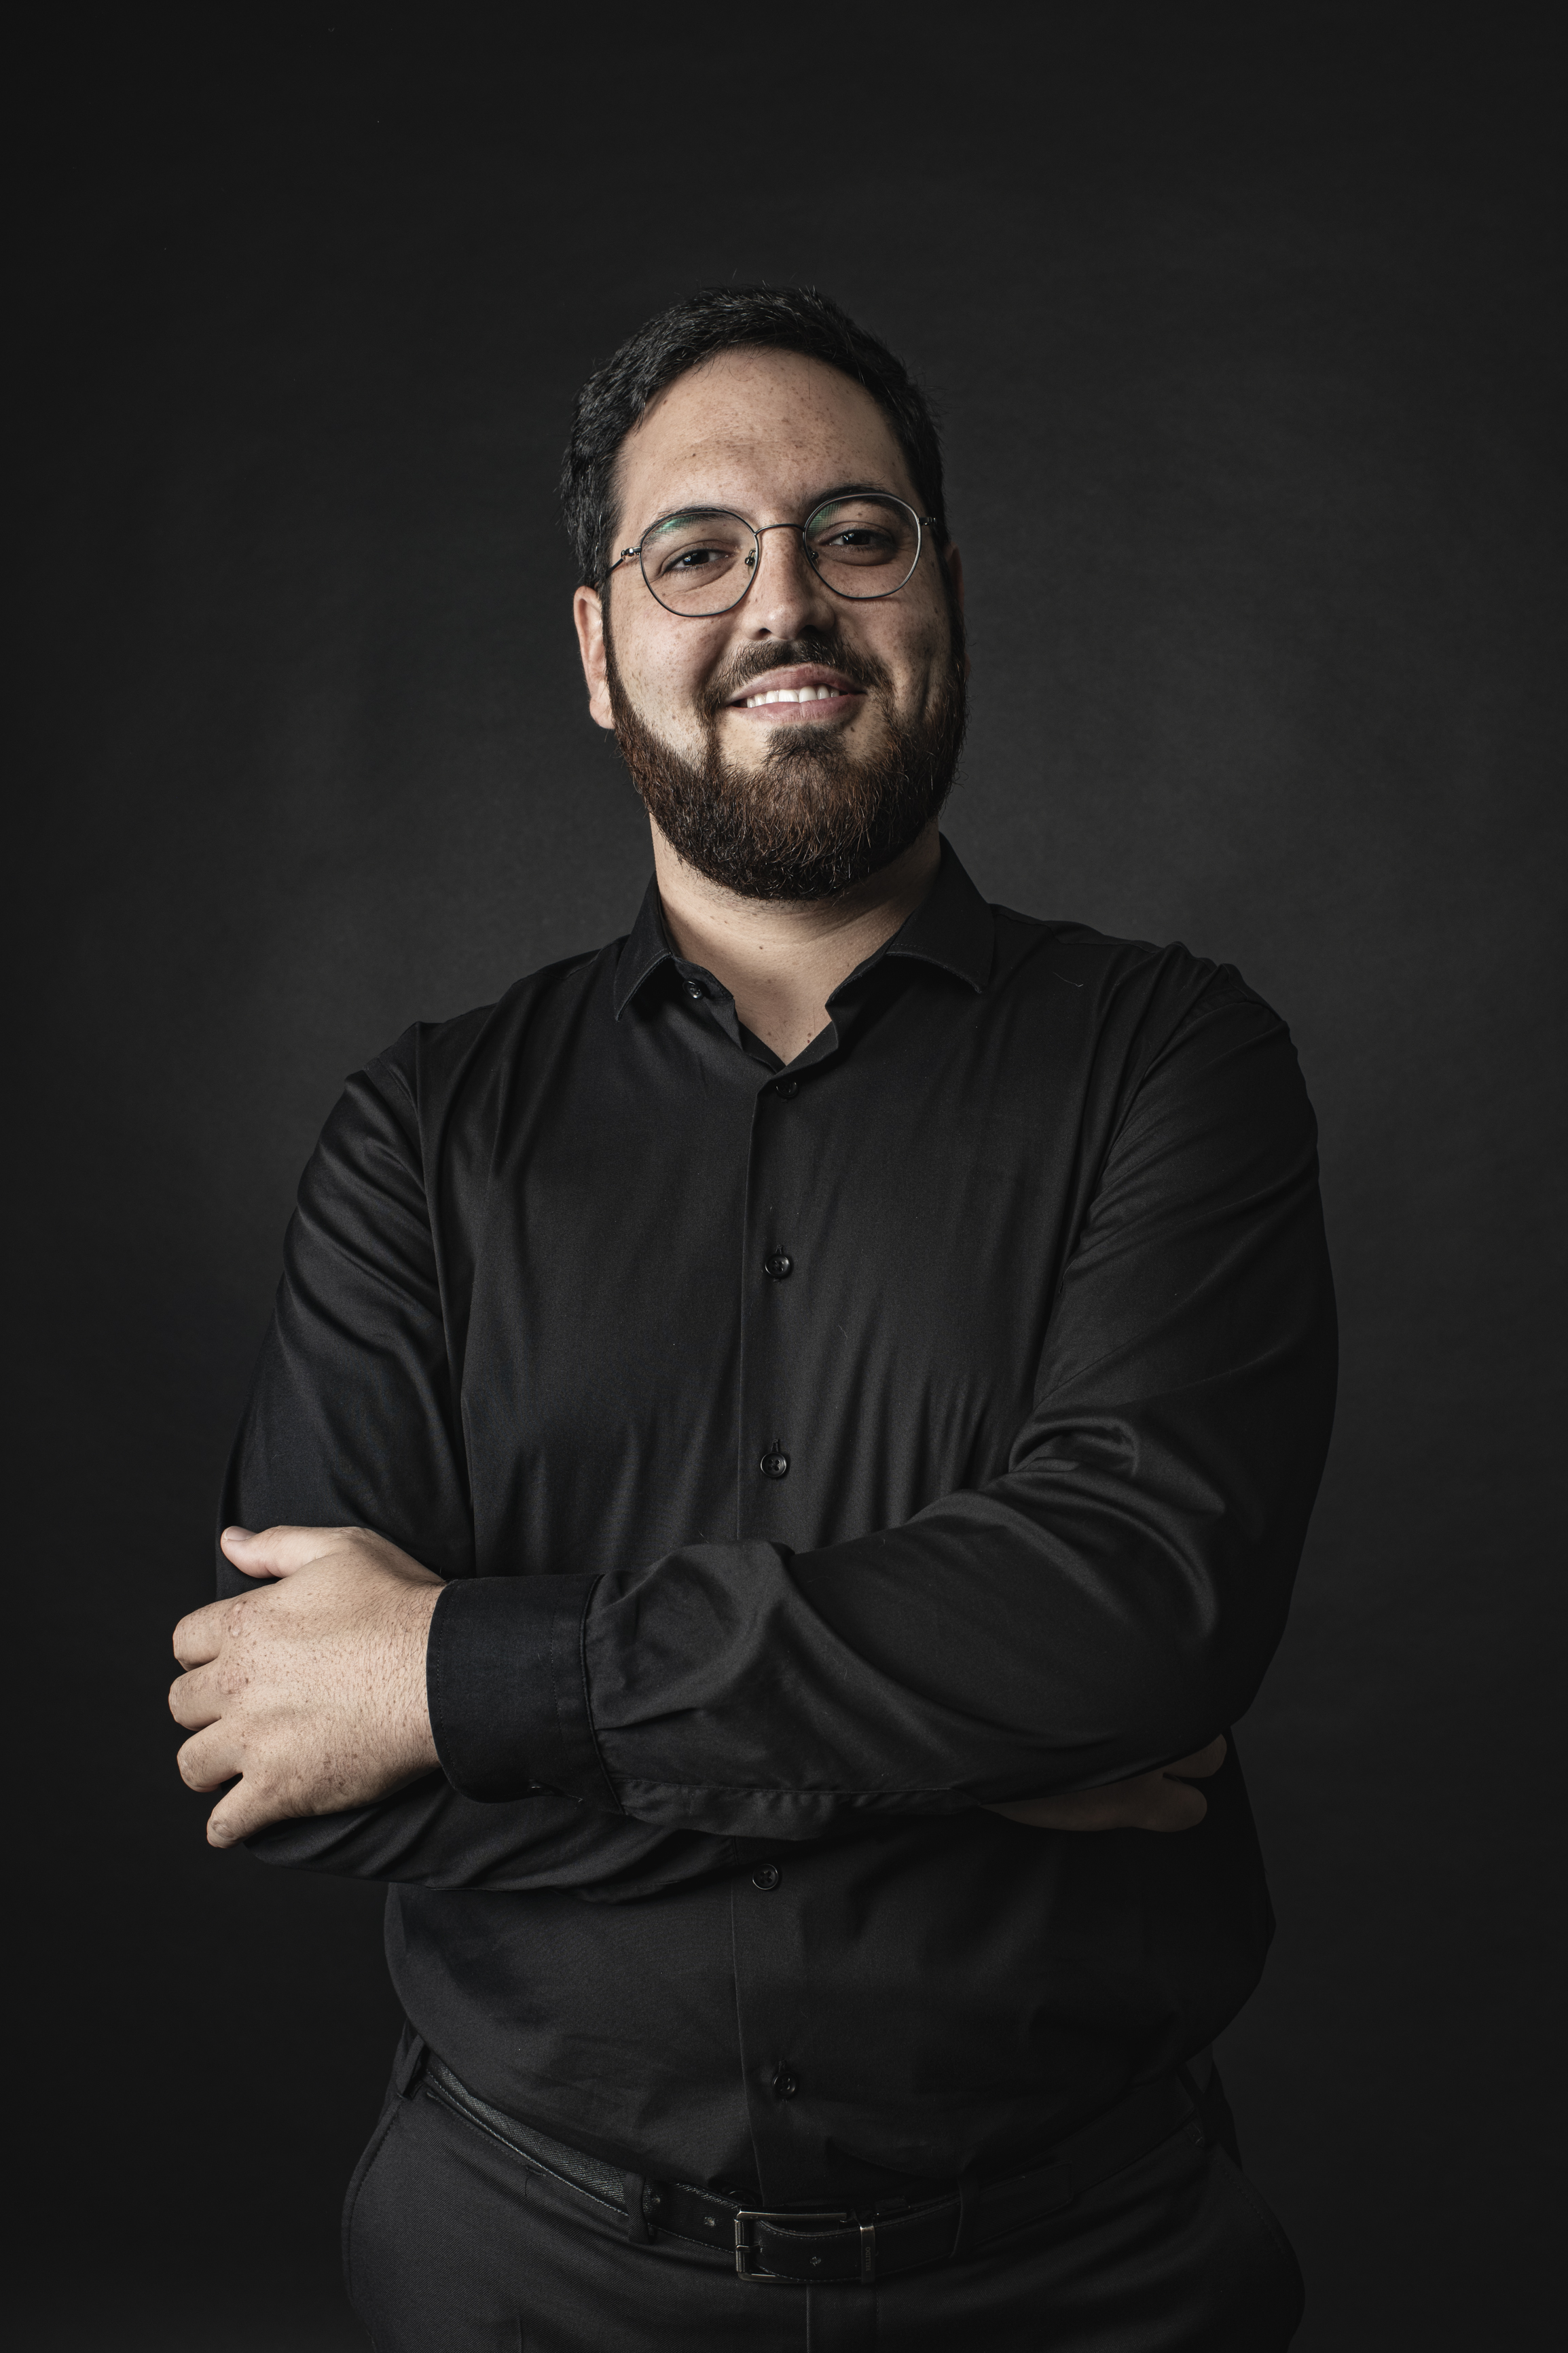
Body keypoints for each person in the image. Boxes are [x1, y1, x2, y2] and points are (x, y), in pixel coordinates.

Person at [169, 286, 1335, 2351]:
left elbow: (1140, 1621)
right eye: (696, 552)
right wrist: (972, 1749)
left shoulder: (1175, 1059)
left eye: (854, 534)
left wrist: (466, 1677)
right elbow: (309, 1748)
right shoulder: (421, 1133)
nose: (785, 601)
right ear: (596, 647)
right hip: (521, 2274)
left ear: (944, 593)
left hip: (1092, 2279)